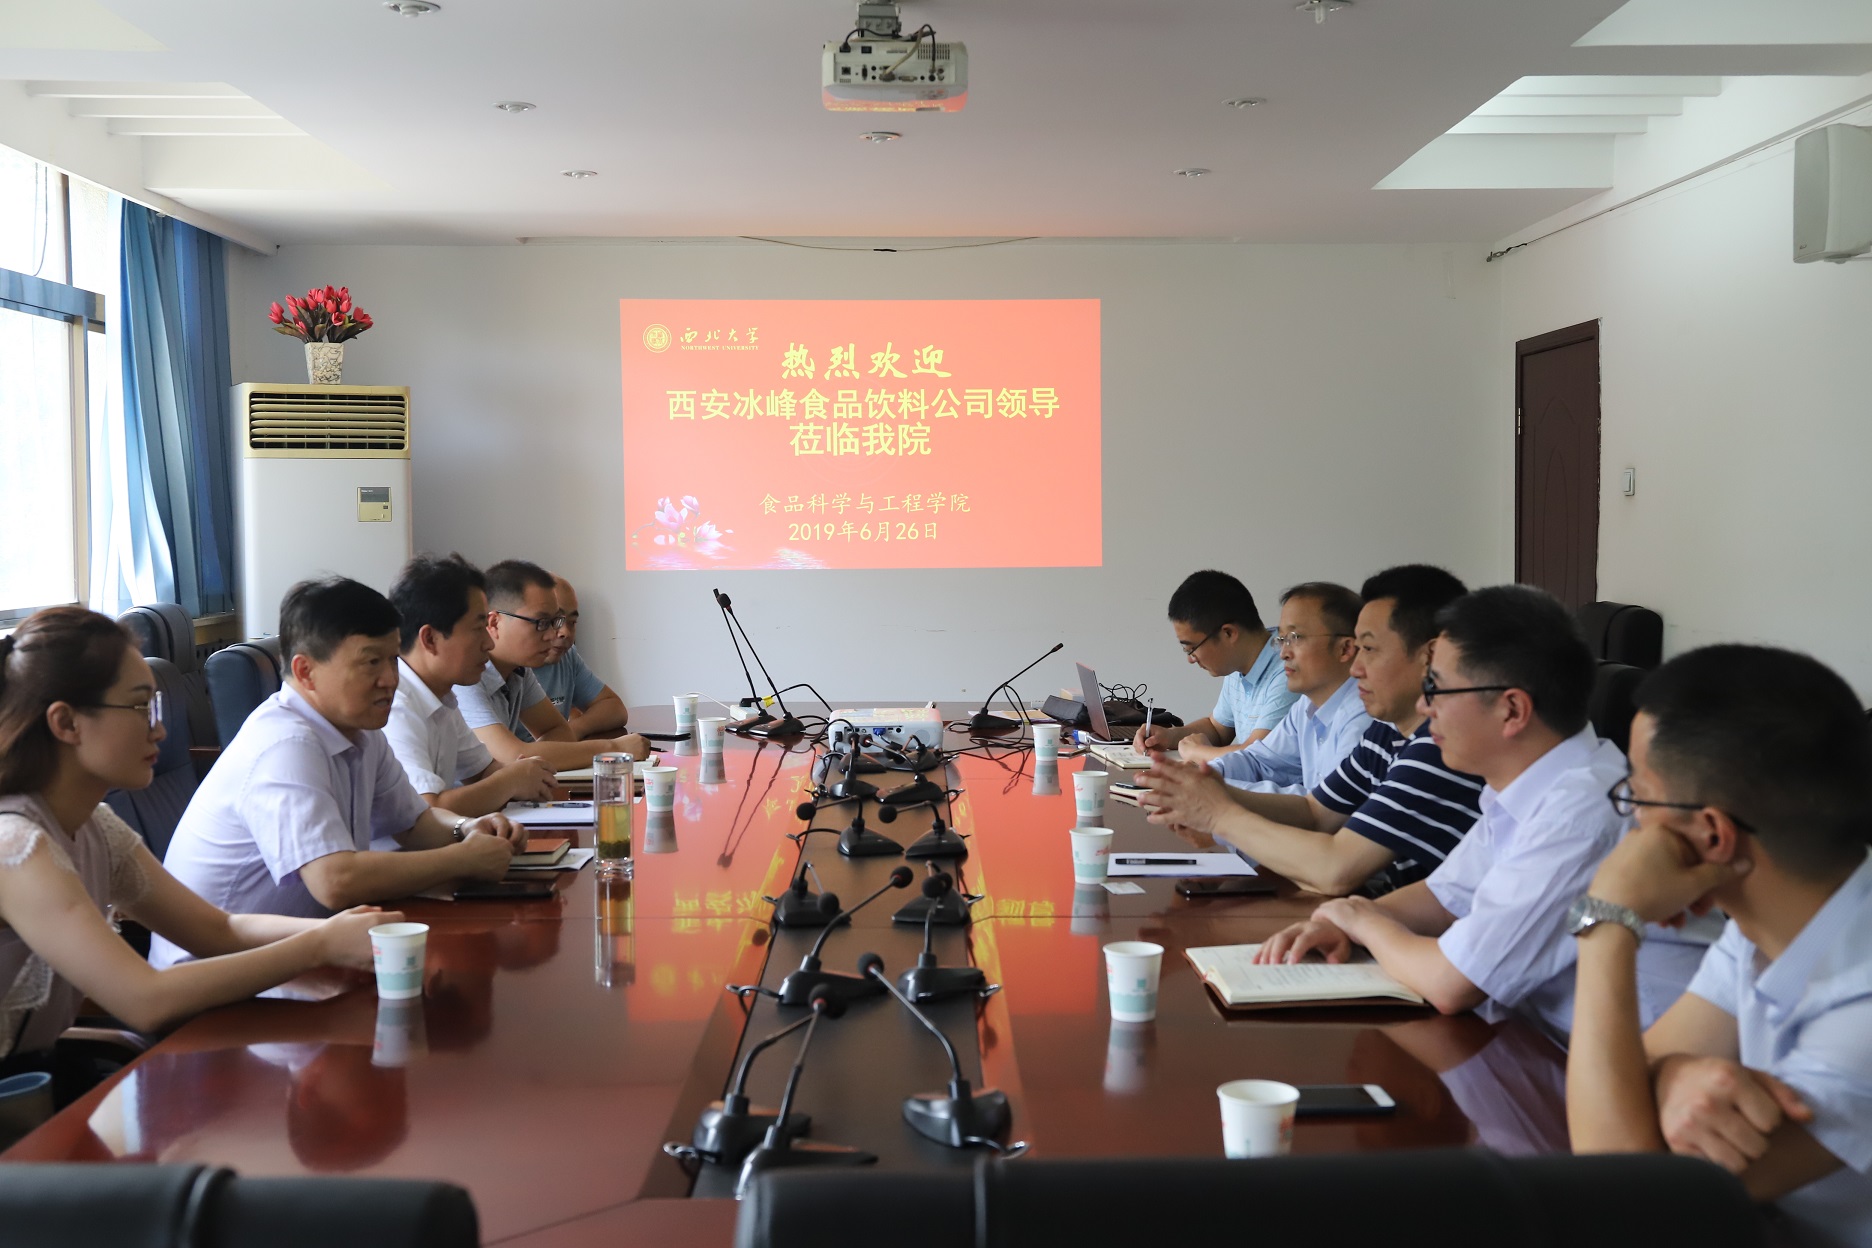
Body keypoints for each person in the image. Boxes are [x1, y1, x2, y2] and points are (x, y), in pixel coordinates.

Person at [1255, 585, 1712, 1041]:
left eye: (1437, 688)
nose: (1423, 706)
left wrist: (1362, 922)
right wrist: (1341, 920)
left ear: (1512, 709)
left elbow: (1451, 982)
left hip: (1638, 1064)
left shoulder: (1581, 810)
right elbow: (1443, 898)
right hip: (1538, 1041)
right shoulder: (1521, 787)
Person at [0, 607, 398, 1103]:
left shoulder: (96, 826)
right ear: (66, 723)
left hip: (34, 1083)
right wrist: (318, 946)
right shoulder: (16, 846)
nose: (160, 730)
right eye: (140, 706)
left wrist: (342, 933)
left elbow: (218, 929)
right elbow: (144, 1000)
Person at [1566, 645, 1872, 1245]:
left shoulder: (1863, 1010)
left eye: (1638, 796)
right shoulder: (1767, 925)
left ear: (1711, 833)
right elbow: (1624, 1080)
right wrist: (1675, 1074)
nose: (1631, 821)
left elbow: (1619, 1187)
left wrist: (1606, 921)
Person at [154, 579, 525, 968]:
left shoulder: (361, 729)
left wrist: (468, 828)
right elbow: (335, 881)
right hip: (218, 976)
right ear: (306, 671)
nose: (391, 679)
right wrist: (463, 859)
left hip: (300, 958)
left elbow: (414, 823)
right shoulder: (285, 745)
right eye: (370, 662)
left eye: (392, 660)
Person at [1140, 564, 1481, 896]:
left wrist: (1219, 815)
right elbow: (1315, 812)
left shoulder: (1434, 748)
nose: (1357, 667)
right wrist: (1204, 789)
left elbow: (1337, 868)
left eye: (1369, 649)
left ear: (1431, 656)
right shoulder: (1386, 734)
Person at [384, 553, 558, 817]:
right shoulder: (397, 706)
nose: (488, 643)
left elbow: (484, 771)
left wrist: (524, 773)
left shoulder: (442, 697)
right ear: (430, 639)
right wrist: (511, 780)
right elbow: (426, 810)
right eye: (478, 629)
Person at [455, 560, 649, 770]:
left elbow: (560, 732)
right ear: (494, 623)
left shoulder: (519, 671)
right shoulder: (465, 676)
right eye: (541, 623)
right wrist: (613, 749)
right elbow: (512, 756)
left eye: (554, 622)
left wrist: (535, 757)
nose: (552, 634)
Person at [1205, 581, 1371, 794]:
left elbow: (1325, 806)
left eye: (1295, 637)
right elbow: (1259, 761)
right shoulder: (1306, 706)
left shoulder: (1365, 716)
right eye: (1282, 639)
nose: (1283, 653)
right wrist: (1205, 773)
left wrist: (1209, 787)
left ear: (1345, 648)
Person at [1133, 570, 1297, 761]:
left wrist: (1197, 752)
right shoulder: (1239, 662)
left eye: (1192, 648)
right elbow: (1217, 729)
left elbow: (1256, 756)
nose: (1191, 659)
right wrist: (1169, 736)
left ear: (1228, 633)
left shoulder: (1288, 669)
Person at [519, 575, 628, 743]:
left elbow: (614, 708)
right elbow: (512, 753)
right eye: (554, 621)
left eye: (572, 622)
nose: (565, 632)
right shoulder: (503, 671)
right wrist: (613, 748)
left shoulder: (566, 656)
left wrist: (573, 730)